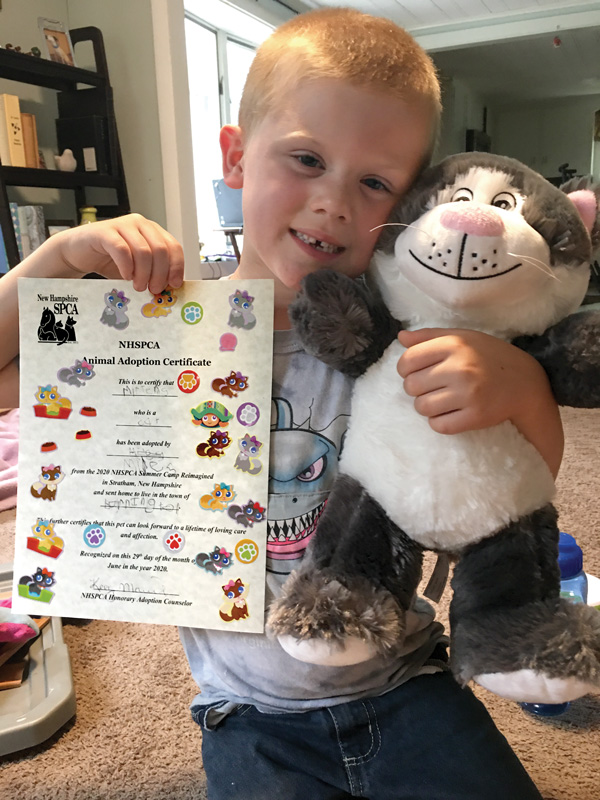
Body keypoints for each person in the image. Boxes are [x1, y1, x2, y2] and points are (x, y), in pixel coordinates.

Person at [0, 8, 563, 799]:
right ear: (235, 157)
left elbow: (520, 483)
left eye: (374, 182)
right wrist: (56, 259)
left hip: (405, 683)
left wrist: (521, 384)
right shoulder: (145, 329)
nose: (332, 201)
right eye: (304, 158)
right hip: (250, 713)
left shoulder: (406, 336)